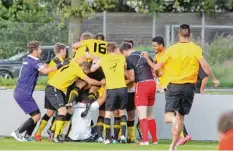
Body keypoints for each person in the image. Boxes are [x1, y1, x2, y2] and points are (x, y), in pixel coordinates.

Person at [142, 24, 219, 150]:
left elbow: (156, 68)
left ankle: (174, 123)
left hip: (174, 86)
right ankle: (172, 146)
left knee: (169, 116)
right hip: (189, 87)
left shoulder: (171, 49)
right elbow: (204, 65)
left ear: (179, 35)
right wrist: (214, 79)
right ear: (190, 35)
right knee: (181, 117)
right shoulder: (195, 48)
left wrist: (147, 59)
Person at [11, 41, 63, 142]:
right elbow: (44, 71)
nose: (41, 50)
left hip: (21, 92)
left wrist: (48, 63)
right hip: (23, 94)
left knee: (36, 114)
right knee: (37, 116)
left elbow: (42, 66)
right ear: (35, 50)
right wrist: (60, 65)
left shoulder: (28, 59)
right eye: (39, 49)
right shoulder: (34, 62)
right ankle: (17, 132)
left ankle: (27, 136)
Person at [45, 58, 104, 143]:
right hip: (54, 88)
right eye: (86, 72)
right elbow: (89, 81)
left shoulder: (72, 63)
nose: (86, 74)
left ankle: (53, 130)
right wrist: (102, 83)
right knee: (62, 111)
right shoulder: (78, 70)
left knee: (69, 110)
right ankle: (55, 135)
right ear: (84, 68)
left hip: (58, 89)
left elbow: (75, 60)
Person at [120, 42, 158, 145]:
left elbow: (132, 78)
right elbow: (154, 65)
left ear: (124, 51)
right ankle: (154, 140)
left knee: (142, 115)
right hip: (152, 83)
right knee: (150, 115)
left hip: (142, 85)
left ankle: (145, 140)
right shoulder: (143, 53)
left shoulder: (129, 59)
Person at [91, 42, 128, 144]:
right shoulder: (121, 58)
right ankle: (123, 136)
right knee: (122, 112)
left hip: (111, 89)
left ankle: (107, 138)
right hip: (122, 88)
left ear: (107, 50)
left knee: (108, 114)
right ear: (115, 49)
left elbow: (92, 69)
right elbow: (125, 67)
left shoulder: (103, 59)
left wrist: (95, 62)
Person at [34, 43, 67, 141]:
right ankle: (49, 133)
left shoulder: (56, 60)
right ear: (61, 50)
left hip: (55, 88)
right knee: (59, 111)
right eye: (65, 51)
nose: (66, 53)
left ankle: (40, 133)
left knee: (51, 111)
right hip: (54, 88)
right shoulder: (57, 61)